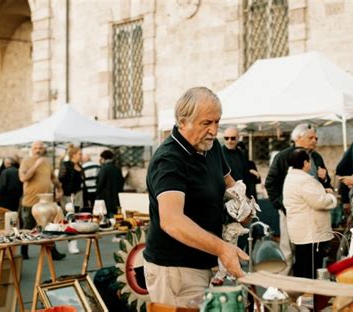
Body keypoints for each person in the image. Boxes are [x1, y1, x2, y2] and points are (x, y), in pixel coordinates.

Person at [143, 87, 248, 307]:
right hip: (176, 270)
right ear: (183, 122)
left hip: (205, 263)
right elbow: (171, 221)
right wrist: (222, 248)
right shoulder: (169, 160)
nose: (214, 130)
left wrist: (243, 205)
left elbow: (231, 185)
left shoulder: (213, 147)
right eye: (206, 123)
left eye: (217, 122)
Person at [265, 123, 331, 275]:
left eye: (316, 138)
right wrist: (281, 205)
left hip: (313, 214)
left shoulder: (316, 157)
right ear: (298, 138)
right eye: (310, 137)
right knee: (288, 251)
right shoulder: (284, 156)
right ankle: (284, 289)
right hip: (291, 211)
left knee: (308, 252)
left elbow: (323, 184)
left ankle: (307, 289)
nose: (314, 140)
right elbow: (270, 182)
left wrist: (325, 178)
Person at [283, 148, 337, 279]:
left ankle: (302, 297)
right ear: (306, 163)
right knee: (311, 269)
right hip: (311, 233)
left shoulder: (291, 178)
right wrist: (331, 197)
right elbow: (319, 201)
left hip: (301, 231)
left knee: (302, 265)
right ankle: (309, 297)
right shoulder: (304, 180)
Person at [19, 141, 65, 260]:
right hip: (30, 200)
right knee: (28, 227)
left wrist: (59, 188)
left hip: (46, 201)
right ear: (32, 149)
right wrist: (36, 165)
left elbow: (53, 178)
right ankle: (24, 251)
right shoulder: (26, 161)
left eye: (40, 148)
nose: (38, 150)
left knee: (48, 226)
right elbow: (23, 178)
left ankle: (52, 251)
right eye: (36, 148)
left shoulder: (47, 162)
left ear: (43, 150)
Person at [59, 146, 85, 254]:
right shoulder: (66, 165)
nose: (81, 156)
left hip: (78, 194)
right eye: (79, 154)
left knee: (77, 218)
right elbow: (60, 179)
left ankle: (74, 242)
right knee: (70, 219)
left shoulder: (79, 165)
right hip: (68, 195)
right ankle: (71, 243)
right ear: (73, 155)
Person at [96, 150, 124, 218]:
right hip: (116, 198)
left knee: (107, 218)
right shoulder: (117, 168)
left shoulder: (104, 169)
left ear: (103, 158)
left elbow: (100, 184)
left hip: (106, 199)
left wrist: (97, 193)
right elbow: (122, 182)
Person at [221, 127, 249, 192]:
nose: (229, 141)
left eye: (232, 138)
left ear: (238, 138)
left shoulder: (241, 153)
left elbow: (246, 168)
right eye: (226, 138)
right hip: (227, 194)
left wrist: (251, 169)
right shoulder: (219, 154)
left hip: (242, 193)